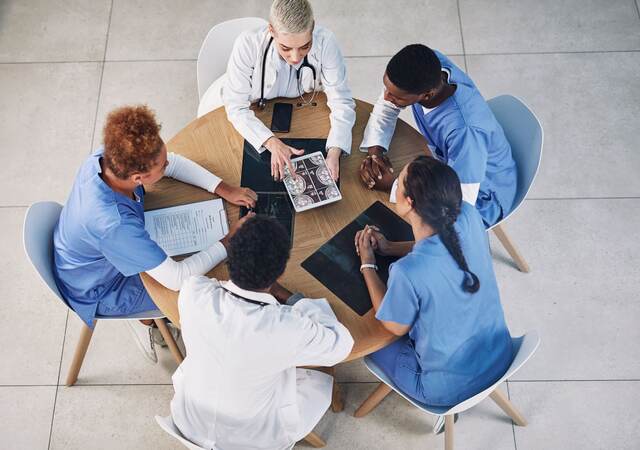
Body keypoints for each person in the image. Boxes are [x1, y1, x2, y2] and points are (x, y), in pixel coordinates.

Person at [53, 105, 257, 363]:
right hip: (100, 288)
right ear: (138, 177)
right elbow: (177, 279)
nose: (168, 163)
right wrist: (229, 241)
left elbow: (173, 163)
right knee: (213, 293)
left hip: (87, 254)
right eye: (162, 165)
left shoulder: (109, 157)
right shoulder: (114, 225)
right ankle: (148, 321)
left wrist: (224, 189)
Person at [170, 216, 354, 449]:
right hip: (251, 437)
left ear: (230, 258)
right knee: (319, 383)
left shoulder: (193, 292)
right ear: (280, 273)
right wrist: (290, 297)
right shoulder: (287, 327)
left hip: (189, 417)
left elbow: (211, 285)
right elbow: (341, 345)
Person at [355, 156, 512, 407]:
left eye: (399, 183)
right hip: (500, 355)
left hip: (444, 389)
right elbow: (445, 248)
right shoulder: (470, 216)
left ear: (408, 202)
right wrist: (391, 247)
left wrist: (368, 263)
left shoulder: (408, 271)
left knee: (363, 338)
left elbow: (394, 327)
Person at [359, 44, 517, 227]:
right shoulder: (428, 66)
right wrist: (375, 153)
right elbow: (387, 106)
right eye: (386, 88)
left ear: (427, 95)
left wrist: (396, 186)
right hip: (454, 167)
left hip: (481, 199)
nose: (386, 97)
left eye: (397, 97)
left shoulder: (464, 132)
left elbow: (458, 205)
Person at [199, 0, 356, 181]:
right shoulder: (248, 43)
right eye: (286, 48)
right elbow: (236, 108)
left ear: (312, 27)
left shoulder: (326, 42)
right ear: (272, 31)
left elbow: (341, 101)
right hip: (232, 106)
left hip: (294, 109)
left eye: (305, 46)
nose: (295, 57)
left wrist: (334, 151)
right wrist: (271, 142)